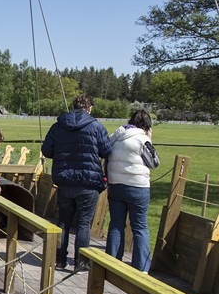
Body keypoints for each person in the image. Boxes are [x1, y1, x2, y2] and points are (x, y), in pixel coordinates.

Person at [41, 94, 111, 272]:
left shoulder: (58, 126)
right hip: (88, 182)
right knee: (83, 223)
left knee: (63, 222)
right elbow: (106, 150)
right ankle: (81, 263)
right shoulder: (96, 127)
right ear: (89, 108)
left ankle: (59, 260)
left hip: (65, 180)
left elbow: (46, 150)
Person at [105, 109, 154, 272]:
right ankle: (142, 267)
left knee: (116, 225)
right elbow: (154, 162)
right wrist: (149, 139)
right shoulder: (142, 139)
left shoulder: (116, 136)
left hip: (116, 185)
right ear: (146, 126)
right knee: (140, 227)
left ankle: (111, 262)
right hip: (138, 187)